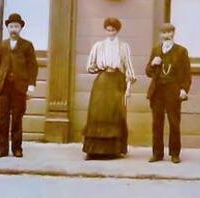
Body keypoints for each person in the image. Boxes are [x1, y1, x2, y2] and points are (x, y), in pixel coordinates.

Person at [82, 17, 136, 159]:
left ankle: (113, 150)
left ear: (117, 31)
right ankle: (93, 150)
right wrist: (99, 68)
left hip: (117, 82)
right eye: (108, 30)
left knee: (115, 114)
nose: (110, 33)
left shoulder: (124, 47)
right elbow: (89, 66)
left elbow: (129, 69)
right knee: (98, 114)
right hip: (102, 82)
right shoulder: (98, 46)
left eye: (113, 30)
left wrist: (128, 87)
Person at [0, 13, 38, 158]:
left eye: (16, 26)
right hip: (3, 87)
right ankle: (2, 149)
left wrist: (30, 86)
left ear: (20, 28)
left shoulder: (27, 45)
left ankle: (17, 148)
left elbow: (33, 67)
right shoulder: (3, 45)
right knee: (2, 119)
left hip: (19, 87)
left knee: (17, 118)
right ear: (7, 28)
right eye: (11, 26)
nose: (14, 29)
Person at [145, 22, 192, 164]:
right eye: (163, 33)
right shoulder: (156, 50)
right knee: (157, 123)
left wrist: (184, 89)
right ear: (160, 35)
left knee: (174, 122)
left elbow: (186, 73)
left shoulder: (181, 51)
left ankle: (175, 153)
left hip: (173, 90)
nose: (166, 35)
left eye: (169, 33)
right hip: (157, 90)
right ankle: (157, 153)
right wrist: (153, 63)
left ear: (173, 33)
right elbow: (148, 72)